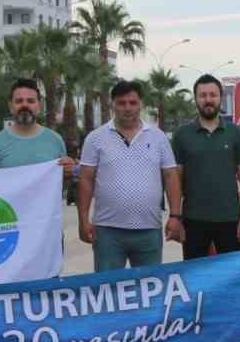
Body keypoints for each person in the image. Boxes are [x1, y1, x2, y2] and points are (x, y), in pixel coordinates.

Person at [78, 80, 183, 271]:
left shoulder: (158, 137)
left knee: (149, 292)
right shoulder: (95, 138)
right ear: (112, 104)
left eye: (133, 103)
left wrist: (175, 215)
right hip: (108, 231)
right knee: (107, 292)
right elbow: (86, 179)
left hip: (149, 230)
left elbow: (171, 176)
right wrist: (83, 219)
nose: (128, 108)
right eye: (122, 103)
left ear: (140, 104)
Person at [170, 74, 240, 259]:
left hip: (231, 219)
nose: (208, 100)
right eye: (203, 95)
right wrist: (176, 218)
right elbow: (175, 180)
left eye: (213, 95)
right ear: (196, 99)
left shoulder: (235, 132)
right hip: (193, 220)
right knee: (195, 277)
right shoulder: (182, 135)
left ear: (220, 98)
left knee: (231, 278)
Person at [0, 78, 77, 178]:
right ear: (10, 106)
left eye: (30, 101)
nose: (25, 105)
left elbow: (61, 184)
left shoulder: (55, 140)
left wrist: (68, 172)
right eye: (19, 101)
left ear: (39, 105)